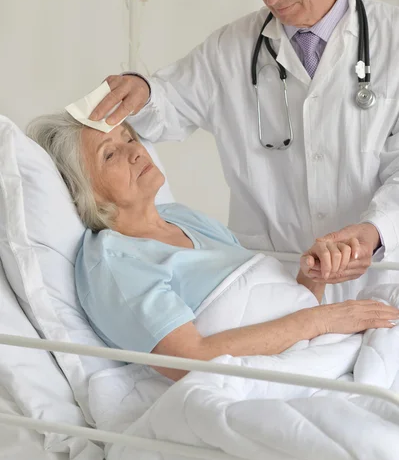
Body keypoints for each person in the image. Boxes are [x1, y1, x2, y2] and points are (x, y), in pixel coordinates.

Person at [89, 0, 399, 305]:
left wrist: (375, 231)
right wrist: (143, 90)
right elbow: (167, 101)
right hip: (274, 288)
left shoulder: (391, 40)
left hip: (379, 282)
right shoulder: (230, 50)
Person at [27, 113, 399, 381]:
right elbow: (192, 360)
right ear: (82, 189)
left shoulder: (182, 217)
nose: (137, 152)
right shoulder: (112, 262)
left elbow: (277, 311)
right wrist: (322, 319)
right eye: (110, 154)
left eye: (129, 138)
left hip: (317, 350)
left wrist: (311, 276)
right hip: (278, 378)